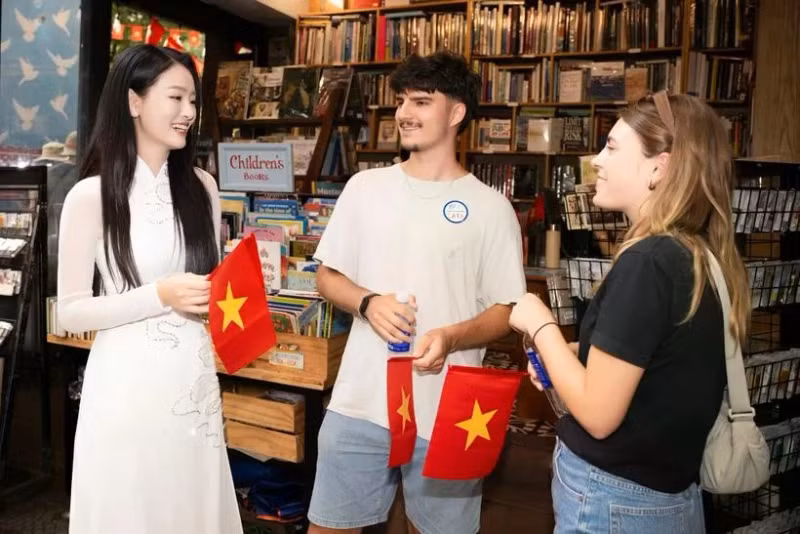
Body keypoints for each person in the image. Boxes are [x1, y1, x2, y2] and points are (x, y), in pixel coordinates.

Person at [509, 92, 750, 534]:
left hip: (613, 500)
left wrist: (539, 322)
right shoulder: (694, 254)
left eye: (613, 148)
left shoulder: (649, 260)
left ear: (660, 167)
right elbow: (666, 363)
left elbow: (599, 416)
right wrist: (577, 354)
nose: (596, 160)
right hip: (667, 495)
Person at [307, 51, 527, 534]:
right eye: (402, 100)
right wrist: (368, 302)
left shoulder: (491, 209)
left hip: (451, 410)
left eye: (422, 101)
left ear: (456, 113)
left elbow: (505, 312)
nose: (405, 112)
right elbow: (327, 277)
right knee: (329, 526)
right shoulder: (365, 187)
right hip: (360, 399)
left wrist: (450, 336)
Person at [57, 44, 241, 533]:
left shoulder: (203, 187)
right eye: (176, 98)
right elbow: (69, 313)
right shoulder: (90, 195)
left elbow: (210, 283)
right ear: (135, 101)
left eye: (194, 101)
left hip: (194, 384)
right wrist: (159, 295)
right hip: (126, 389)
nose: (188, 113)